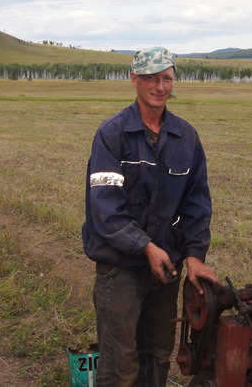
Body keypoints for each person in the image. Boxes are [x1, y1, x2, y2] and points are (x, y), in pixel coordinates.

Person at [82, 46, 218, 387]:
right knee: (120, 364)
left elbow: (196, 203)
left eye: (167, 78)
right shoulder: (112, 135)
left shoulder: (185, 137)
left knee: (157, 355)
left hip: (164, 270)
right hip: (120, 267)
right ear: (134, 80)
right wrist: (144, 246)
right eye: (151, 79)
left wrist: (195, 257)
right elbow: (106, 209)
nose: (160, 86)